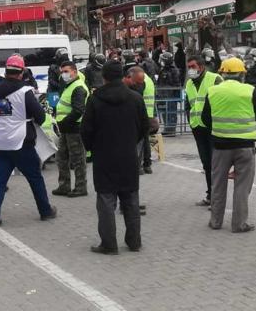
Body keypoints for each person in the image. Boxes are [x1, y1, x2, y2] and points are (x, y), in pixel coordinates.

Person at [82, 60, 149, 254]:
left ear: (104, 77)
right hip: (128, 155)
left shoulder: (95, 100)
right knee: (131, 200)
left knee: (105, 201)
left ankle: (109, 244)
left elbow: (86, 130)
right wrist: (131, 142)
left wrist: (93, 149)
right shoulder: (136, 98)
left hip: (104, 157)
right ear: (122, 75)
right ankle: (134, 241)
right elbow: (144, 127)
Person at [0, 54, 56, 229]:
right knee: (35, 177)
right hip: (22, 142)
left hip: (0, 142)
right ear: (22, 72)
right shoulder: (25, 92)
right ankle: (45, 210)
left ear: (6, 71)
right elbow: (39, 116)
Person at [202, 57, 256, 233]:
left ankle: (215, 221)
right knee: (242, 186)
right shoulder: (249, 90)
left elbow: (205, 119)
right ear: (242, 74)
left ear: (222, 73)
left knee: (218, 185)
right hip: (245, 146)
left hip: (220, 146)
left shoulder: (213, 91)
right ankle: (239, 224)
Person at [184, 55, 223, 206]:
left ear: (201, 66)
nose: (190, 70)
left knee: (215, 163)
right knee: (206, 163)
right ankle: (210, 195)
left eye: (193, 66)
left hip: (213, 127)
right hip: (198, 128)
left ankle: (217, 197)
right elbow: (188, 104)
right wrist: (190, 120)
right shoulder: (189, 84)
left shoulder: (215, 79)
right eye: (189, 67)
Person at [51, 61, 89, 198]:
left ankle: (80, 187)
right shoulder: (70, 85)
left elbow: (78, 110)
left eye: (66, 71)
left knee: (78, 160)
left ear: (74, 71)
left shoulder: (78, 87)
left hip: (74, 129)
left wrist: (64, 122)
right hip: (66, 129)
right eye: (62, 72)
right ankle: (64, 186)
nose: (63, 74)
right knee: (61, 157)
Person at [157, 52, 181, 136]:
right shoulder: (162, 69)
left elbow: (177, 84)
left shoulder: (174, 70)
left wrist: (176, 95)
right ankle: (167, 128)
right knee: (164, 112)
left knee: (171, 112)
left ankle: (171, 130)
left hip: (170, 95)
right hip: (162, 95)